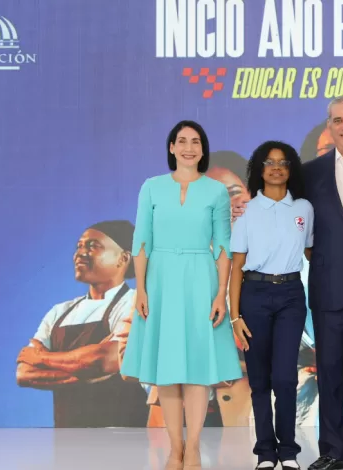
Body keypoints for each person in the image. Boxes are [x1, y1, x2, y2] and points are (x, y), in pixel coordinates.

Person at [232, 96, 343, 470]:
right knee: (329, 368)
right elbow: (289, 219)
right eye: (338, 120)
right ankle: (331, 451)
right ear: (329, 125)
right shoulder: (309, 173)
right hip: (326, 285)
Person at [120, 120, 243, 467]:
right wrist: (140, 289)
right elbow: (141, 241)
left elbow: (222, 245)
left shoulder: (216, 191)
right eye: (182, 141)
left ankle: (193, 447)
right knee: (168, 369)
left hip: (201, 279)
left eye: (195, 142)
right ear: (171, 147)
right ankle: (175, 447)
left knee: (197, 369)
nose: (189, 147)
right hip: (159, 280)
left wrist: (221, 293)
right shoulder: (152, 188)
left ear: (203, 150)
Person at [229, 140, 313, 470]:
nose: (276, 167)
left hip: (292, 294)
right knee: (260, 379)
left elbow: (311, 252)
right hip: (254, 294)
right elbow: (237, 266)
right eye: (269, 162)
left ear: (291, 169)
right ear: (258, 170)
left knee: (285, 378)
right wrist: (235, 316)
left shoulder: (304, 209)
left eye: (283, 162)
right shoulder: (247, 210)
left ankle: (289, 450)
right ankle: (265, 450)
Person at [16, 220, 148, 428]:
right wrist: (89, 368)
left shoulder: (135, 303)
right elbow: (24, 373)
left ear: (123, 258)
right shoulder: (59, 311)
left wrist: (42, 357)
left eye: (93, 246)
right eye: (79, 246)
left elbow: (107, 359)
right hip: (68, 440)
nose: (80, 253)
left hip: (124, 437)